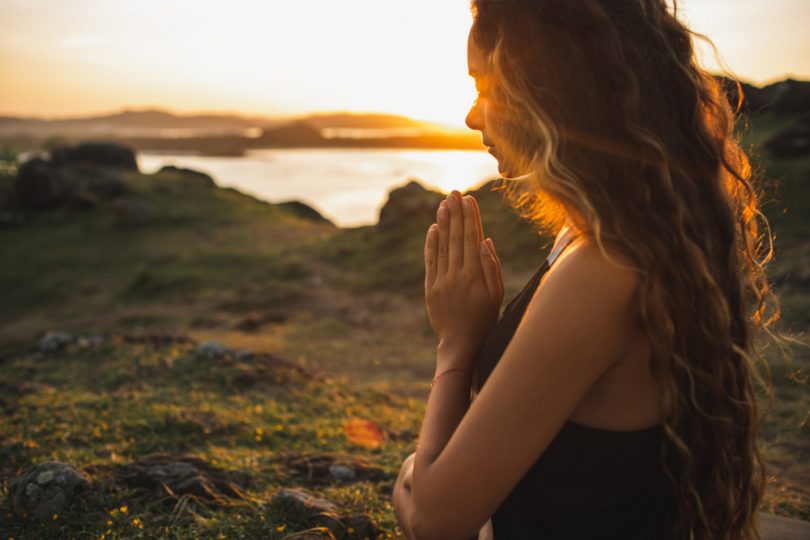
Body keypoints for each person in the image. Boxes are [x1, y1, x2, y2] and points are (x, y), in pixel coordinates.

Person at [392, 1, 781, 539]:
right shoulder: (606, 239)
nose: (471, 115)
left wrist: (457, 342)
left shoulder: (603, 271)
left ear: (551, 88)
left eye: (485, 86)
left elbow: (435, 519)